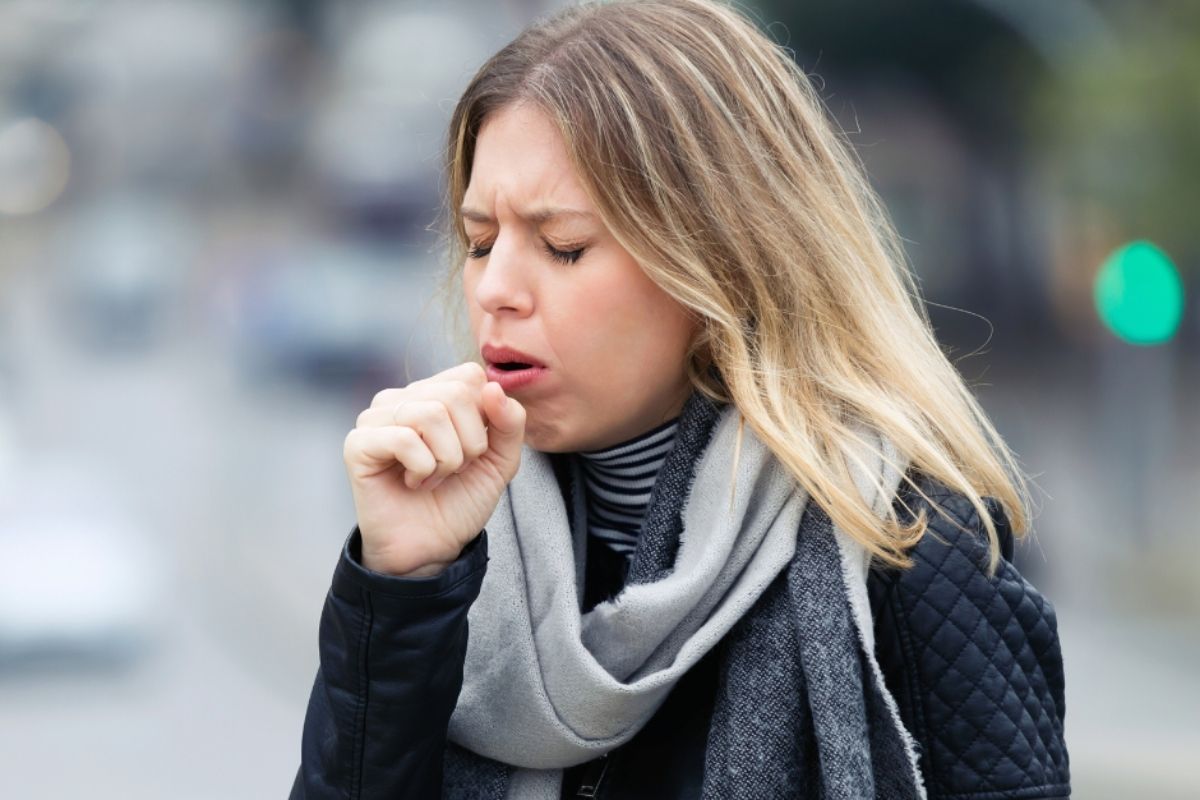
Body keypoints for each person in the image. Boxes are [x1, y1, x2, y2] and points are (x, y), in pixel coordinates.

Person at [289, 0, 1070, 797]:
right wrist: (401, 587)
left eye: (563, 247)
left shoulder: (910, 551)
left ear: (720, 259)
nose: (496, 289)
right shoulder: (457, 549)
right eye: (482, 241)